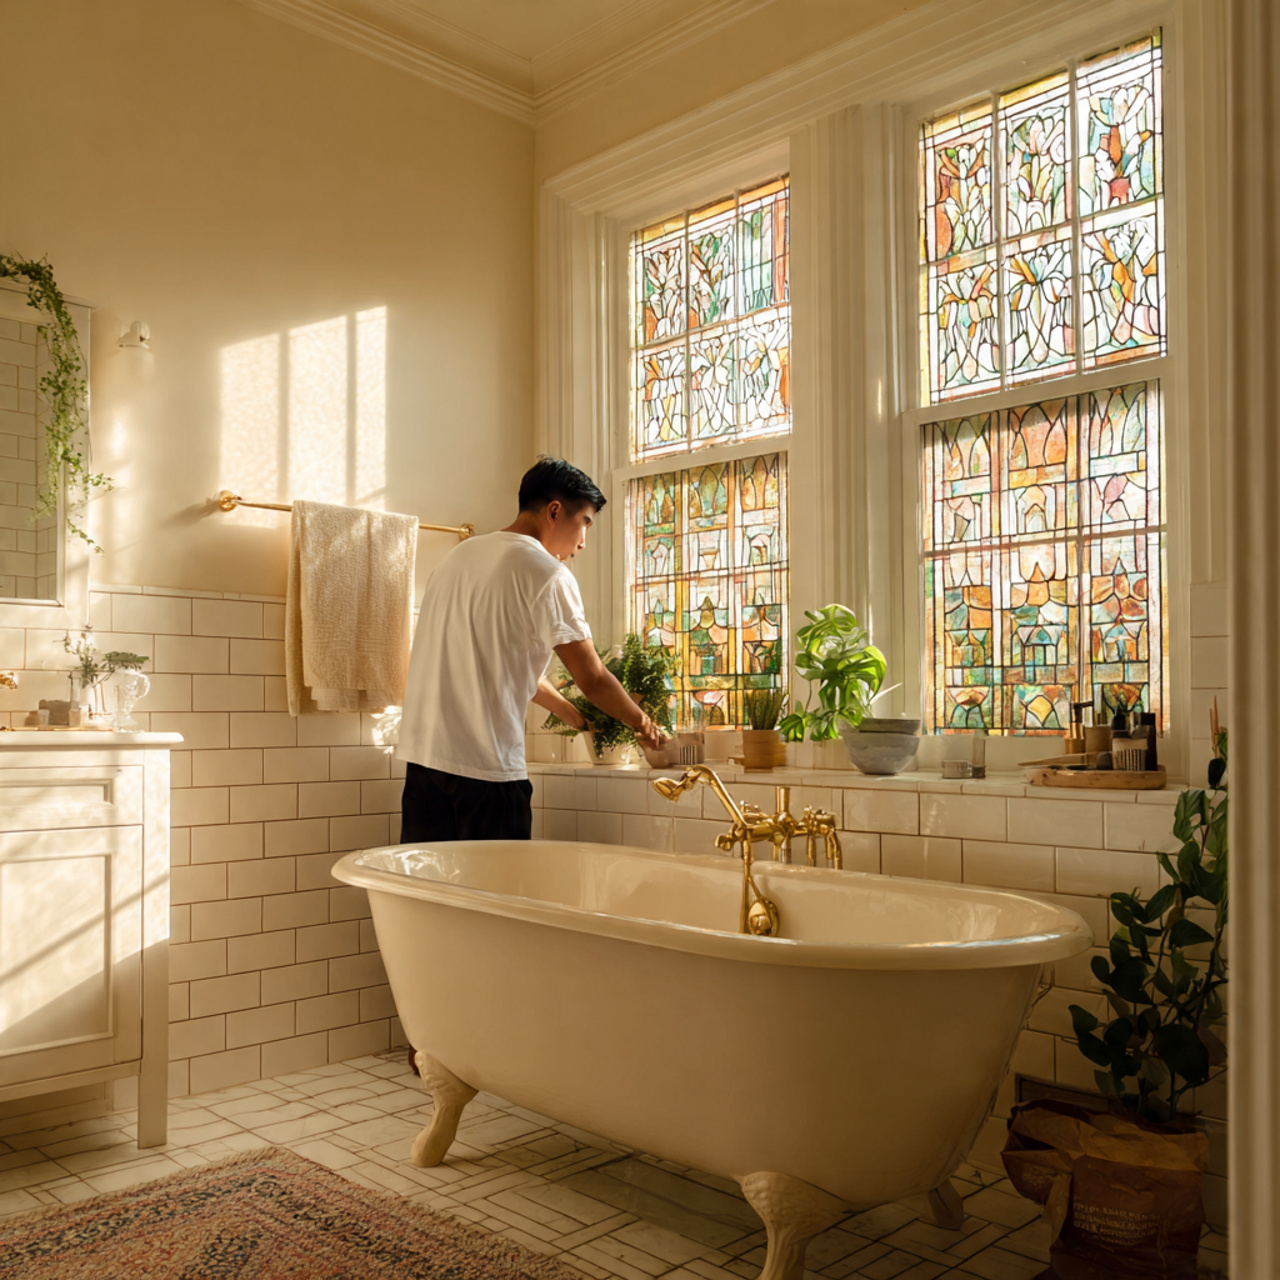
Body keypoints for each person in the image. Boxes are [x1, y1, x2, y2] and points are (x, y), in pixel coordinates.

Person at [396, 457, 666, 843]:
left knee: (427, 884)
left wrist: (569, 713)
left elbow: (499, 663)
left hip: (424, 767)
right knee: (502, 884)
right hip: (487, 774)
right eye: (584, 522)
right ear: (554, 511)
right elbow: (592, 677)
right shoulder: (547, 573)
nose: (582, 543)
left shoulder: (456, 559)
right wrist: (643, 723)